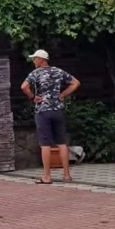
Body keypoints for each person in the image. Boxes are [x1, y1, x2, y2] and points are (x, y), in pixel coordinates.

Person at [21, 49, 81, 184]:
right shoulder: (58, 71)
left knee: (45, 144)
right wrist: (63, 94)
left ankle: (47, 176)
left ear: (41, 59)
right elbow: (76, 83)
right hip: (57, 110)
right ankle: (66, 175)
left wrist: (32, 97)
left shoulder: (35, 73)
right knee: (62, 143)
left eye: (35, 58)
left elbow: (24, 87)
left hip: (43, 110)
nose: (33, 61)